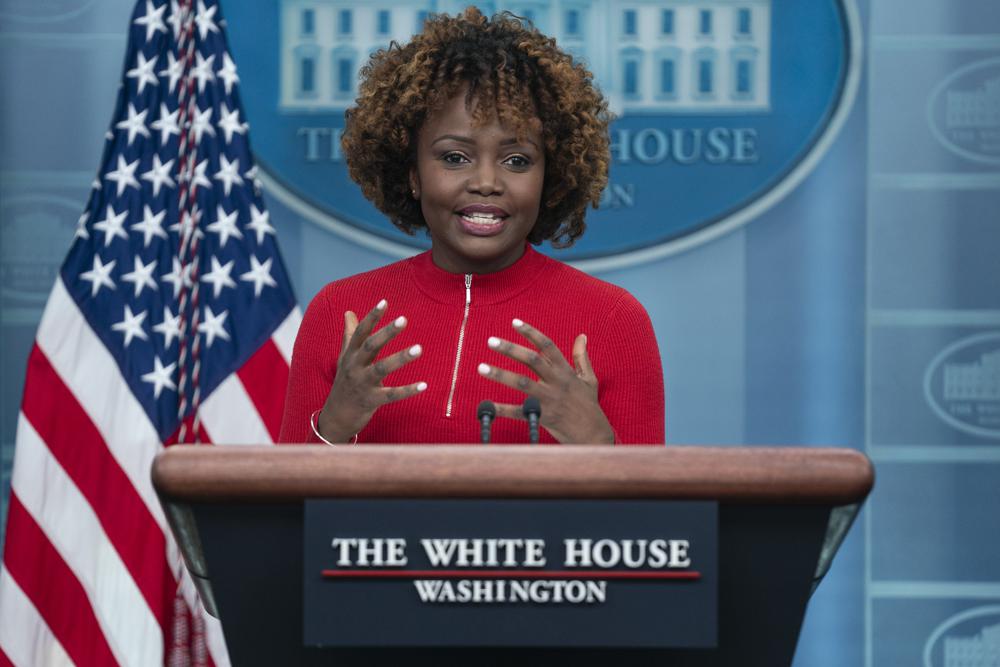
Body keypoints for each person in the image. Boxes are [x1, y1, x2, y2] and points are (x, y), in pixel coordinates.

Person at [278, 8, 664, 446]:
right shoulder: (341, 313)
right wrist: (333, 425)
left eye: (516, 160)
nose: (485, 182)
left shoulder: (613, 320)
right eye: (454, 157)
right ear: (412, 173)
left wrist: (596, 443)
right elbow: (285, 512)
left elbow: (649, 514)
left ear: (550, 175)